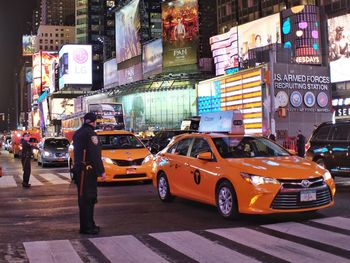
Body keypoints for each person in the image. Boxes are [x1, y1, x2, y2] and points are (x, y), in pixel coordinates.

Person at [73, 112, 106, 235]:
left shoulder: (78, 133)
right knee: (89, 198)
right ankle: (87, 227)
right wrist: (101, 171)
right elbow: (95, 154)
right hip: (87, 171)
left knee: (83, 199)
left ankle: (88, 224)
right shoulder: (91, 134)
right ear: (93, 122)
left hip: (79, 170)